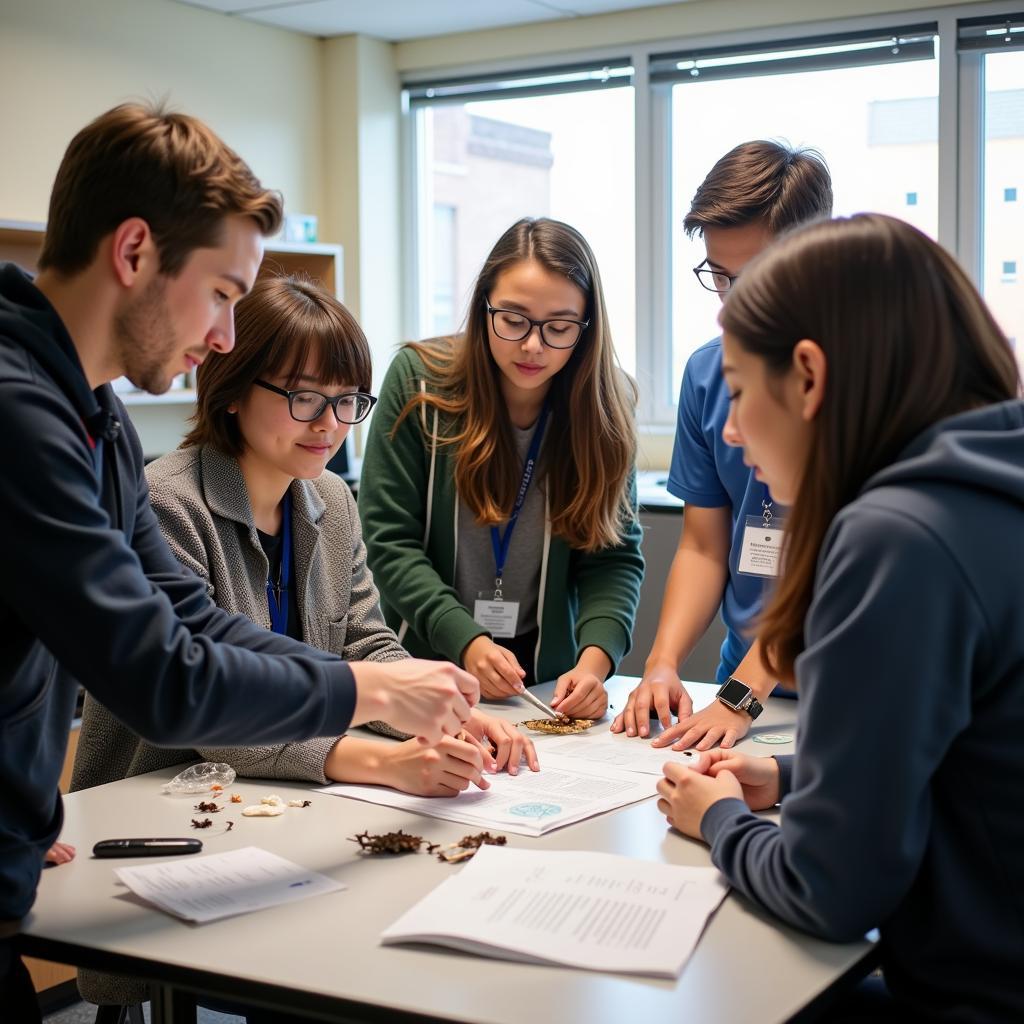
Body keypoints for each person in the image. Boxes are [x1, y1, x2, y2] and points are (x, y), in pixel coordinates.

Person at [0, 103, 476, 1020]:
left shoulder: (88, 412)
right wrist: (368, 695)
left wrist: (376, 675)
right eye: (222, 292)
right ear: (135, 252)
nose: (223, 336)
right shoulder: (21, 415)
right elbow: (163, 679)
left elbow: (193, 618)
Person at [73, 273, 536, 1013]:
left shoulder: (329, 499)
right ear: (229, 387)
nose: (330, 423)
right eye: (303, 396)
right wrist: (388, 761)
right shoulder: (168, 503)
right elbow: (217, 713)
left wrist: (446, 711)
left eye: (348, 400)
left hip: (288, 803)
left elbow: (367, 643)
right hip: (167, 809)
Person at [656, 213, 1024, 1021]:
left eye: (743, 390)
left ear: (811, 378)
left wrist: (716, 819)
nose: (728, 428)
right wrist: (793, 776)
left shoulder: (896, 536)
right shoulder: (989, 483)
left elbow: (826, 890)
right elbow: (975, 758)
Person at [359, 218, 644, 719]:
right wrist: (465, 640)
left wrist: (594, 664)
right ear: (483, 306)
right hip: (426, 669)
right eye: (513, 320)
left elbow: (613, 558)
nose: (533, 346)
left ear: (586, 328)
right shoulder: (418, 383)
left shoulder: (605, 406)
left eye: (558, 328)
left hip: (546, 685)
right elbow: (388, 540)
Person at [612, 141, 832, 751]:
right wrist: (662, 662)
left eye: (755, 275)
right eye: (719, 275)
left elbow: (836, 565)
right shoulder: (708, 373)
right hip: (746, 687)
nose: (733, 301)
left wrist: (741, 696)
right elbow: (706, 546)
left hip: (852, 682)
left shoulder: (862, 378)